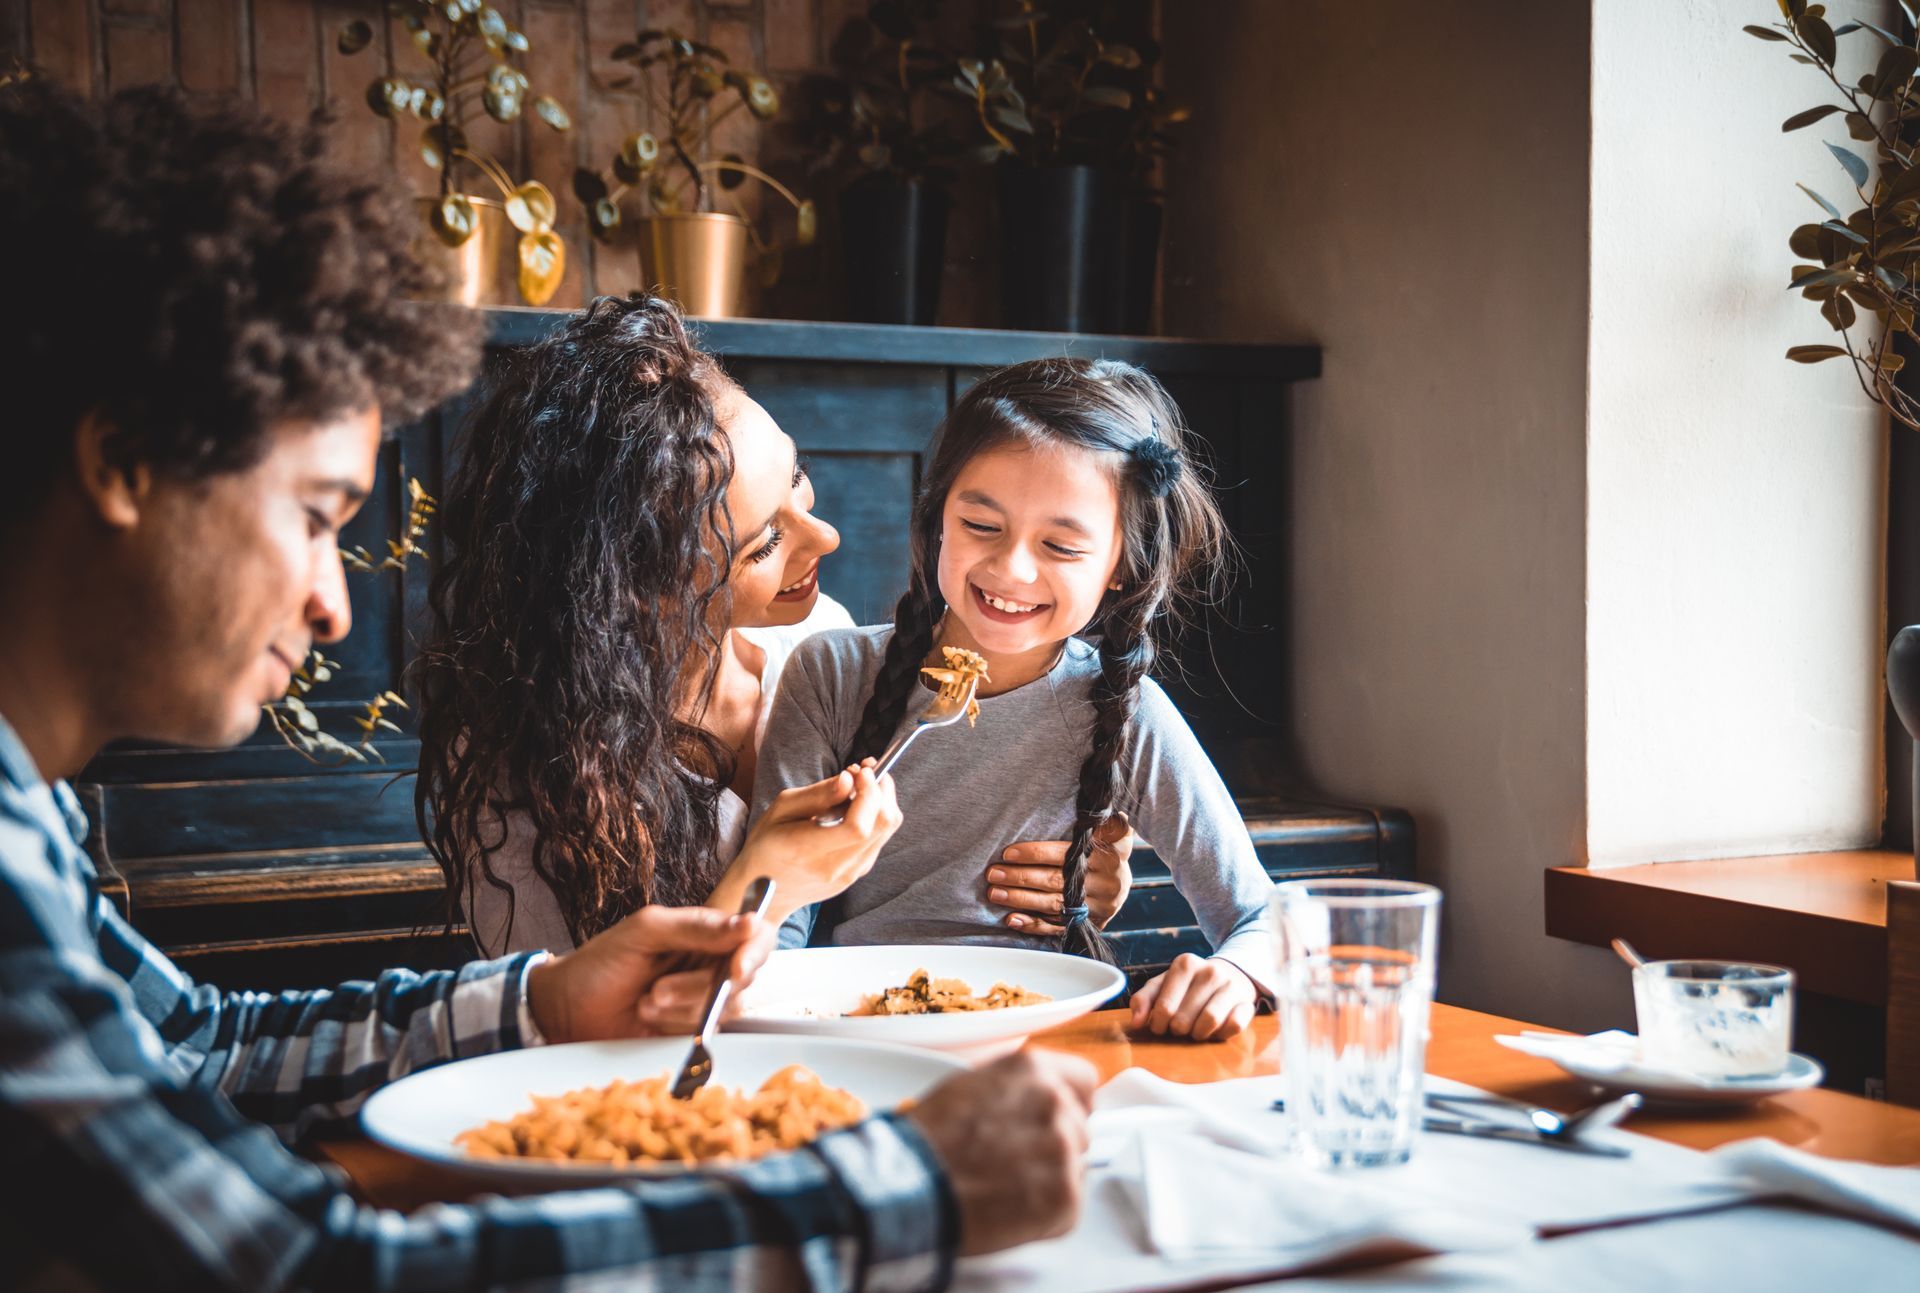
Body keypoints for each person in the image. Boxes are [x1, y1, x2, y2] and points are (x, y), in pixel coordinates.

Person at [0, 77, 1094, 1290]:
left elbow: (195, 1049)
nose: (334, 605)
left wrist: (545, 1006)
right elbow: (310, 1272)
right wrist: (901, 1194)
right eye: (315, 518)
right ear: (121, 461)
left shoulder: (25, 815)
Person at [414, 296, 1135, 964]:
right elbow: (568, 1031)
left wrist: (1066, 880)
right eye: (762, 545)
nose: (824, 538)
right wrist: (764, 883)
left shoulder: (820, 643)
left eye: (798, 476)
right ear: (631, 589)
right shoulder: (521, 779)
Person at [756, 358, 1277, 1043]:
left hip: (1046, 1042)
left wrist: (1236, 974)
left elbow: (1261, 916)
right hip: (853, 1033)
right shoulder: (830, 674)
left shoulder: (1125, 713)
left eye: (1061, 544)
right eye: (981, 525)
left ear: (1120, 566)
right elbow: (773, 924)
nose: (1012, 570)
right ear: (937, 512)